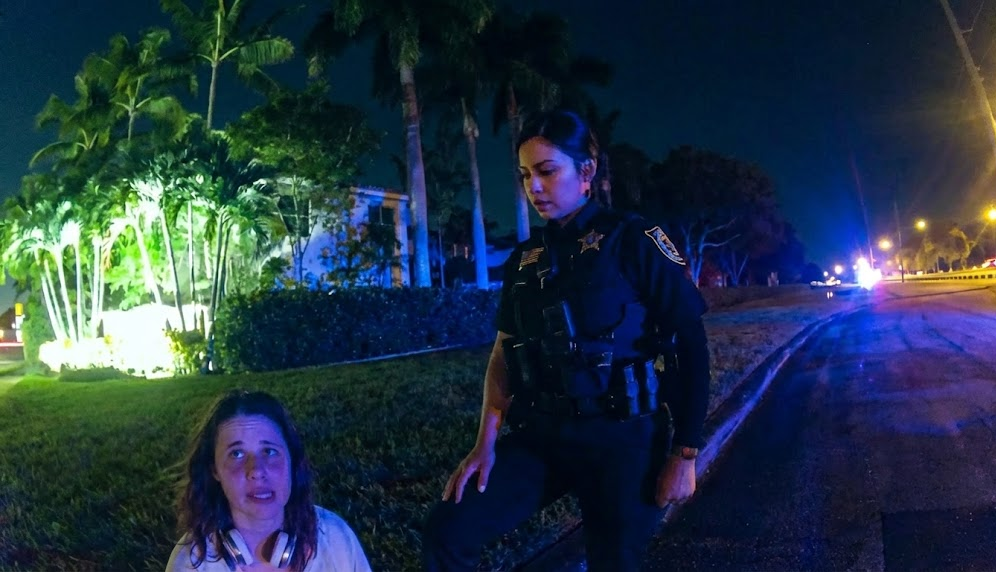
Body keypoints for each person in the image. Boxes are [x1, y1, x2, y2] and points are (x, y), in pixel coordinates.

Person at [421, 109, 711, 572]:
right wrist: (485, 443)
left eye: (546, 171)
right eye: (524, 175)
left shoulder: (633, 240)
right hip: (544, 435)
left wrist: (686, 452)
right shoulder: (524, 260)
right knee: (448, 531)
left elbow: (692, 346)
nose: (533, 186)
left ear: (587, 171)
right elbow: (503, 353)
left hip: (623, 438)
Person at [166, 390, 372, 572]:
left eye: (269, 451)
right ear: (214, 470)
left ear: (291, 459)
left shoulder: (335, 539)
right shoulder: (191, 563)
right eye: (236, 454)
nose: (256, 470)